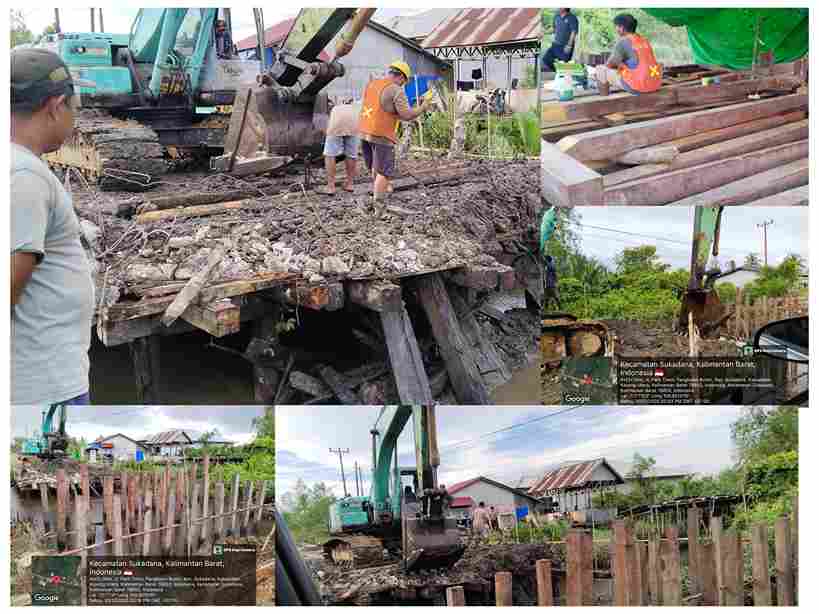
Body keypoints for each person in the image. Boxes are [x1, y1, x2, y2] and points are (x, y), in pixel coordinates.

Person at [11, 49, 95, 408]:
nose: (74, 120)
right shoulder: (25, 177)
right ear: (55, 106)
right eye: (73, 109)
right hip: (44, 384)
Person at [358, 61, 433, 213]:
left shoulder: (373, 84)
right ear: (401, 77)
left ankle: (379, 191)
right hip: (382, 134)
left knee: (374, 166)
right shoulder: (396, 90)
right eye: (404, 82)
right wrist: (424, 106)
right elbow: (407, 115)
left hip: (364, 131)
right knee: (384, 172)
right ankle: (379, 208)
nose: (404, 85)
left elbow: (382, 106)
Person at [596, 13, 662, 95]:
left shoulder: (623, 41)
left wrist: (619, 65)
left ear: (621, 28)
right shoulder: (645, 40)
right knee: (622, 68)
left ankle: (604, 100)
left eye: (616, 26)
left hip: (638, 87)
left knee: (601, 69)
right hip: (655, 83)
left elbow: (609, 64)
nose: (616, 29)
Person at [317, 99, 360, 196]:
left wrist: (327, 131)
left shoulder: (331, 98)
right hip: (354, 116)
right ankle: (350, 184)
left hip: (337, 115)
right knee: (351, 154)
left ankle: (331, 186)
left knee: (330, 154)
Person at [542, 9, 579, 73]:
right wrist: (544, 32)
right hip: (555, 44)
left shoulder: (572, 18)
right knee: (546, 59)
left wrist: (569, 45)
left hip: (565, 46)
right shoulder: (556, 16)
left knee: (564, 64)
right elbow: (554, 29)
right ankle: (562, 72)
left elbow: (574, 32)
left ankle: (574, 70)